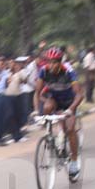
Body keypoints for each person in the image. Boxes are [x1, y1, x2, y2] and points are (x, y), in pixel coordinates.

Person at [34, 47, 84, 178]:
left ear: (60, 62)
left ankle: (74, 161)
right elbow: (37, 93)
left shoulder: (68, 71)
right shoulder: (43, 71)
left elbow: (79, 95)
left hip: (69, 102)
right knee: (47, 106)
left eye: (54, 62)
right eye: (49, 62)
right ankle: (50, 136)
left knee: (70, 128)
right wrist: (36, 112)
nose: (51, 65)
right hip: (55, 100)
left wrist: (70, 109)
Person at [5, 58, 31, 143]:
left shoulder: (19, 73)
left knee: (17, 115)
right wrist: (7, 80)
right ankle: (14, 135)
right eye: (10, 63)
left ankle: (18, 135)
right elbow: (5, 84)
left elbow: (25, 81)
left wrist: (21, 73)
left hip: (18, 96)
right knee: (11, 116)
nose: (11, 65)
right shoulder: (7, 73)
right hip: (8, 96)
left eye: (13, 63)